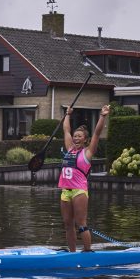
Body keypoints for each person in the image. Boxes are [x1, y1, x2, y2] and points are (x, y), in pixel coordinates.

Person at [58, 104, 110, 252]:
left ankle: (87, 252)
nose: (76, 138)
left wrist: (102, 116)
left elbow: (97, 134)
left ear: (85, 140)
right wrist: (68, 114)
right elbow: (66, 129)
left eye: (79, 136)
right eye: (75, 136)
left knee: (81, 224)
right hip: (65, 191)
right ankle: (72, 253)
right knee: (68, 224)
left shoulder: (87, 152)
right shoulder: (69, 149)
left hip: (79, 191)